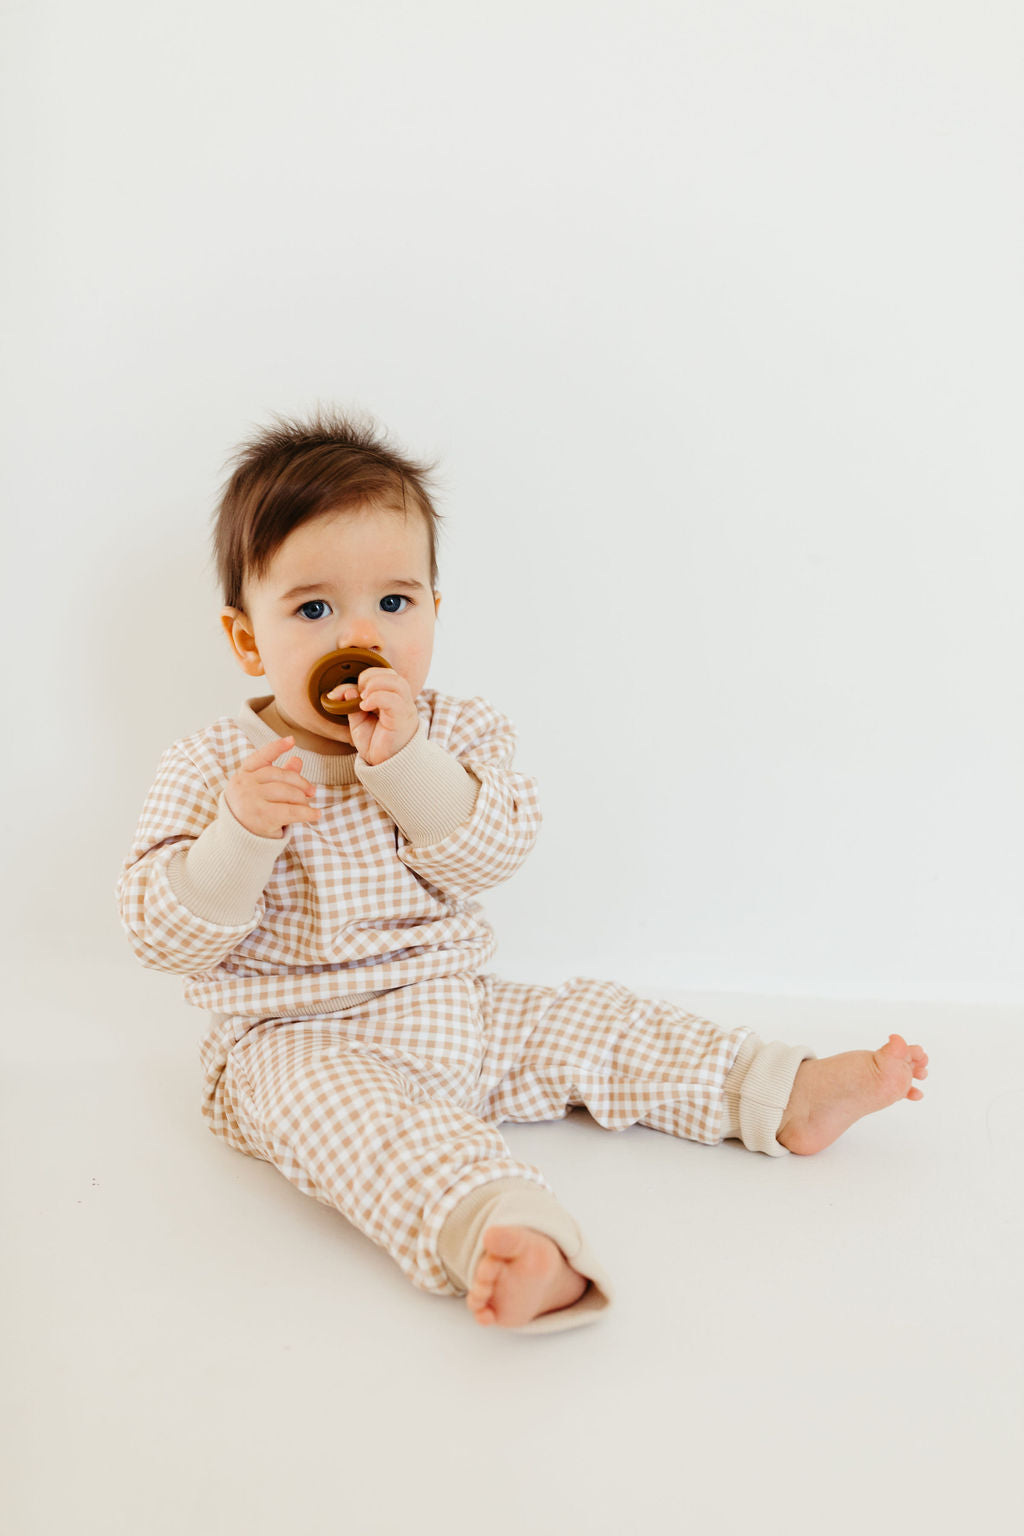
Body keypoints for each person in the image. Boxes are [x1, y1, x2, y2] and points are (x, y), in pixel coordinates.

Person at [116, 411, 929, 1333]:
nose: (365, 634)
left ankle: (781, 1091)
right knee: (361, 1129)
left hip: (455, 1004)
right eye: (314, 609)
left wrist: (408, 765)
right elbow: (160, 935)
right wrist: (237, 838)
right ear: (249, 640)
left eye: (395, 603)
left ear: (432, 607)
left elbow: (491, 852)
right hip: (294, 1038)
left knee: (598, 1023)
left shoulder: (455, 735)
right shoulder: (214, 766)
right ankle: (507, 1231)